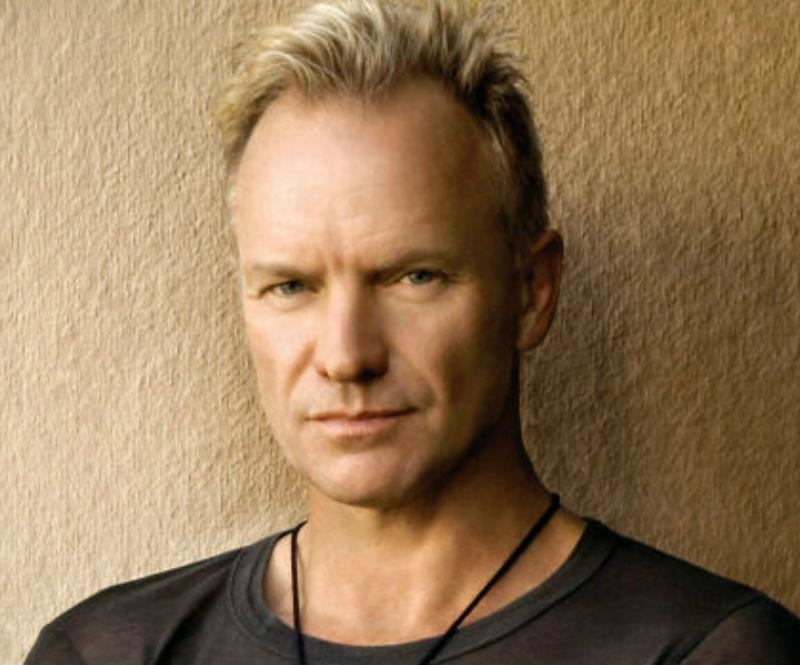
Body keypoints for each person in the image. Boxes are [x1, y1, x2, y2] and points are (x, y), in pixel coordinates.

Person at [25, 2, 800, 663]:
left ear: (532, 292)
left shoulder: (707, 650)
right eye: (291, 286)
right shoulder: (109, 652)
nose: (345, 355)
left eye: (413, 276)